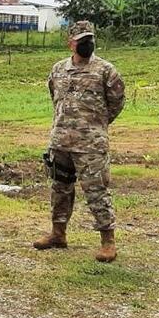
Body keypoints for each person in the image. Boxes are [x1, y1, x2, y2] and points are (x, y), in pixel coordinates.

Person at [33, 21, 125, 262]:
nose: (87, 43)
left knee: (96, 191)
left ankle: (108, 241)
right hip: (60, 140)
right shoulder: (58, 69)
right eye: (82, 40)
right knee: (59, 189)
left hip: (91, 145)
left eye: (90, 39)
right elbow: (55, 97)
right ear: (70, 43)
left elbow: (116, 103)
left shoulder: (106, 70)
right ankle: (58, 233)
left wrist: (95, 126)